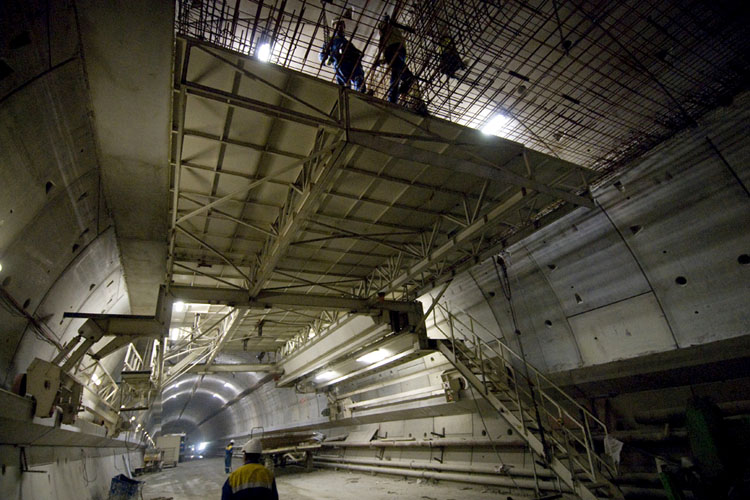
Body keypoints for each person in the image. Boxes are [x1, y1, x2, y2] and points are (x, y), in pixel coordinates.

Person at [375, 14, 415, 104]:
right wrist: (382, 60)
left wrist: (380, 58)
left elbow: (383, 46)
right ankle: (393, 100)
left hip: (394, 48)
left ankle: (407, 76)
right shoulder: (393, 31)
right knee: (395, 75)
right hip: (400, 52)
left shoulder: (388, 30)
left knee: (395, 65)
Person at [319, 19, 367, 93]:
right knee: (345, 82)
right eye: (337, 25)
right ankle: (347, 93)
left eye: (341, 26)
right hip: (340, 64)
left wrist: (359, 54)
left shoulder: (347, 42)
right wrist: (327, 60)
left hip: (351, 62)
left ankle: (361, 92)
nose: (340, 27)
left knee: (358, 75)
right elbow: (322, 55)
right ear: (334, 27)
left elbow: (355, 52)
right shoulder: (330, 41)